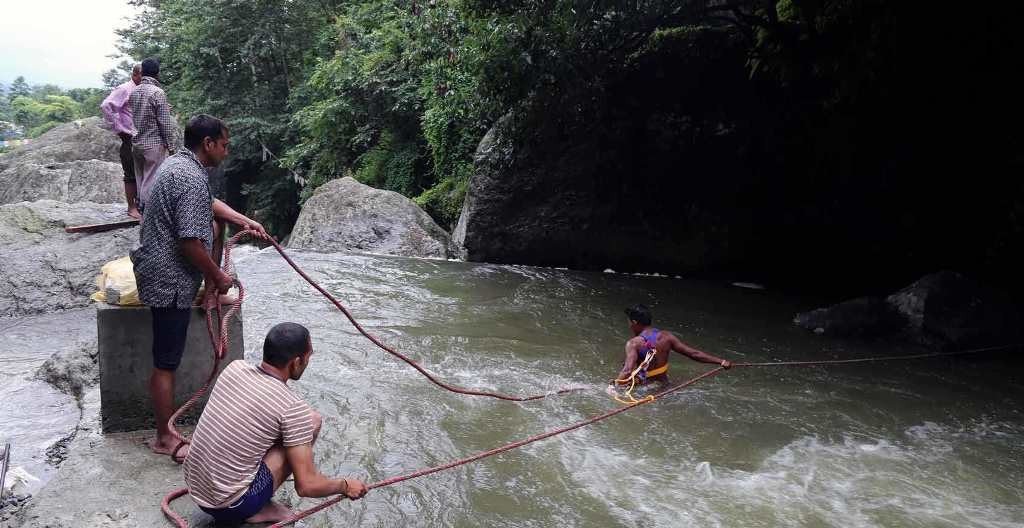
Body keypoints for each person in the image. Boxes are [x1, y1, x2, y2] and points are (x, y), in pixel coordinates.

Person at [130, 114, 269, 457]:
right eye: (224, 144)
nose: (227, 150)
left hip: (161, 270)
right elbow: (190, 243)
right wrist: (220, 278)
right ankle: (164, 436)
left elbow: (207, 206)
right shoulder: (190, 178)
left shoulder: (179, 165)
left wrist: (243, 220)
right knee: (166, 361)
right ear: (208, 144)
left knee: (218, 224)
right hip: (169, 281)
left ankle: (208, 291)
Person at [183, 323, 368, 524]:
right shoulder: (292, 407)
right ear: (296, 362)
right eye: (308, 356)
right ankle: (257, 510)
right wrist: (346, 485)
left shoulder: (235, 367)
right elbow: (307, 486)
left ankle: (247, 489)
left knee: (305, 421)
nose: (308, 361)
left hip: (194, 486)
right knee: (311, 422)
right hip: (229, 506)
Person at [612, 304, 732, 389]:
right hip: (664, 387)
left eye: (629, 322)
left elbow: (627, 370)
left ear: (634, 322)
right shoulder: (667, 337)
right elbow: (694, 354)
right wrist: (721, 361)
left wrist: (613, 388)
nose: (629, 326)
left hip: (644, 389)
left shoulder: (633, 343)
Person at [129, 58, 179, 210]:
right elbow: (164, 122)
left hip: (136, 142)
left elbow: (141, 114)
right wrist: (171, 146)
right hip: (153, 144)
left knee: (141, 179)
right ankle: (147, 213)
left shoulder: (134, 91)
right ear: (157, 73)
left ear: (142, 72)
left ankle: (140, 208)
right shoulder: (158, 93)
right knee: (151, 181)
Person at [99, 63, 143, 219]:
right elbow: (106, 105)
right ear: (135, 75)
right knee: (130, 173)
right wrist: (118, 127)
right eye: (143, 76)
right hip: (129, 136)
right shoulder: (125, 88)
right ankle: (132, 208)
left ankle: (140, 205)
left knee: (142, 173)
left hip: (141, 136)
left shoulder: (141, 91)